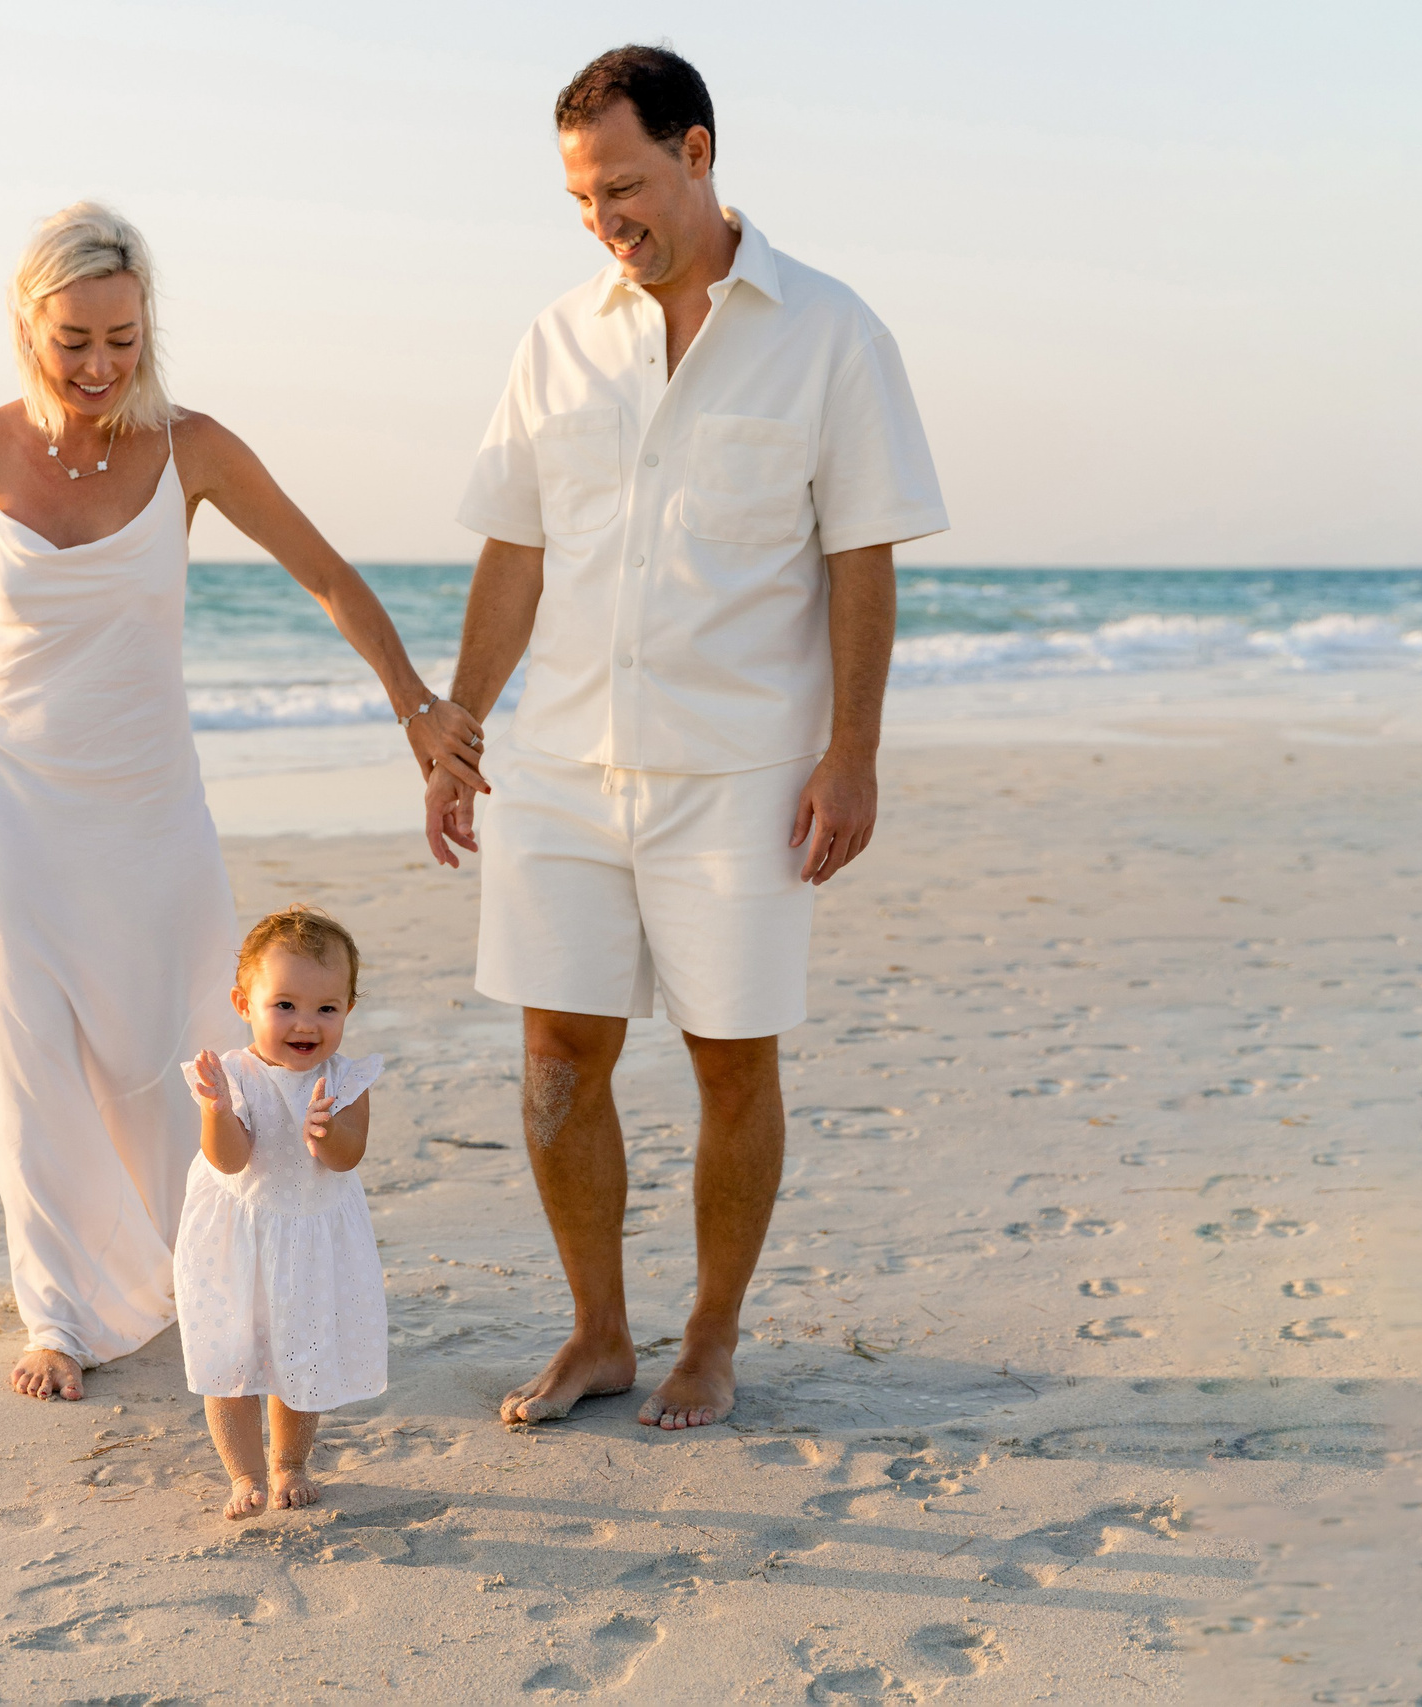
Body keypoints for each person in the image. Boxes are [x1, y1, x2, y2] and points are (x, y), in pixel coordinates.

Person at [0, 204, 480, 1403]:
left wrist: (414, 708)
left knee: (179, 1041)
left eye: (123, 341)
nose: (98, 368)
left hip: (149, 802)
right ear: (25, 326)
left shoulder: (192, 448)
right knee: (34, 1059)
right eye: (72, 342)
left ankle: (192, 1269)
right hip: (10, 802)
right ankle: (60, 1313)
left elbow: (326, 574)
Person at [425, 46, 948, 1430]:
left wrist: (855, 751)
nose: (606, 218)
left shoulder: (832, 331)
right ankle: (599, 1328)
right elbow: (515, 548)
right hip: (563, 765)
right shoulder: (557, 338)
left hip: (745, 771)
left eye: (627, 184)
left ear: (700, 153)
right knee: (555, 1057)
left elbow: (862, 557)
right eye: (583, 195)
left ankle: (710, 1333)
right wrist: (462, 720)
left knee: (732, 1056)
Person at [176, 907, 386, 1519]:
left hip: (311, 1239)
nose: (306, 1024)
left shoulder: (346, 1080)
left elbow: (349, 1158)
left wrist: (326, 1133)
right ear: (244, 1002)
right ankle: (243, 1474)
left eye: (327, 1008)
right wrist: (217, 1112)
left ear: (348, 1009)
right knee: (232, 1354)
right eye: (285, 1005)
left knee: (301, 1348)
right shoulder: (231, 1076)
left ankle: (288, 1462)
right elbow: (230, 1161)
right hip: (237, 1236)